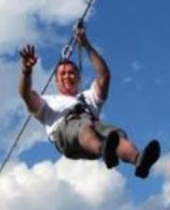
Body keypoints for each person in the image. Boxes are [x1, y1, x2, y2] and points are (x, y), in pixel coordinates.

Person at [18, 24, 161, 178]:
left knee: (115, 133)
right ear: (56, 81)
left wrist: (86, 45)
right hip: (68, 134)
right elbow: (26, 94)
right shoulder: (47, 101)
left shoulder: (89, 97)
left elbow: (104, 75)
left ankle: (139, 160)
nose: (67, 76)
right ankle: (104, 150)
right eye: (63, 74)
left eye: (72, 73)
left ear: (79, 77)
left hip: (92, 133)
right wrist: (27, 72)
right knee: (84, 125)